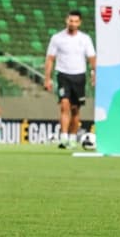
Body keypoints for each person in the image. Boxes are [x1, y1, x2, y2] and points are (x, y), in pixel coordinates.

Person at [44, 10, 96, 149]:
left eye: (75, 21)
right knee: (64, 105)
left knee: (75, 110)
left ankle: (73, 138)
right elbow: (50, 59)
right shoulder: (57, 38)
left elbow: (92, 58)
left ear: (80, 23)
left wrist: (94, 73)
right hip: (63, 75)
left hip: (79, 76)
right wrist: (47, 78)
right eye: (70, 21)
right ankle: (64, 138)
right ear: (66, 21)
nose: (73, 23)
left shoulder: (85, 39)